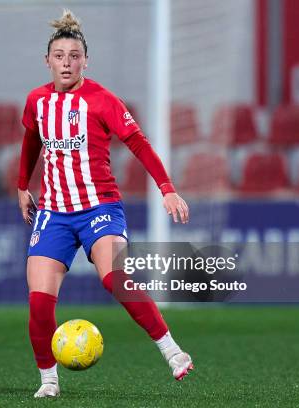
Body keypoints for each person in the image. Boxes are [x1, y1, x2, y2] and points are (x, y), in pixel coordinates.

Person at [17, 10, 192, 399]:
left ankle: (173, 351)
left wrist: (167, 188)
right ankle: (48, 382)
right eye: (59, 56)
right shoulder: (37, 102)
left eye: (74, 55)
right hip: (54, 213)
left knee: (117, 280)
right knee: (39, 302)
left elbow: (139, 143)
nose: (66, 63)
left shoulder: (101, 100)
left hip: (100, 209)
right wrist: (20, 186)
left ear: (85, 61)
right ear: (47, 61)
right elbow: (31, 142)